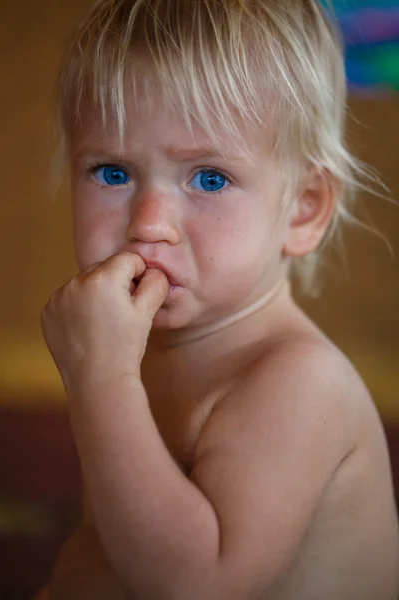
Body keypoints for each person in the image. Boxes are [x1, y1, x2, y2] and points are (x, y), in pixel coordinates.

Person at [35, 0, 399, 598]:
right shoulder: (138, 349)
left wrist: (99, 378)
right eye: (112, 172)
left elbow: (199, 584)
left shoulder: (298, 381)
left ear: (304, 208)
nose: (150, 224)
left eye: (209, 178)